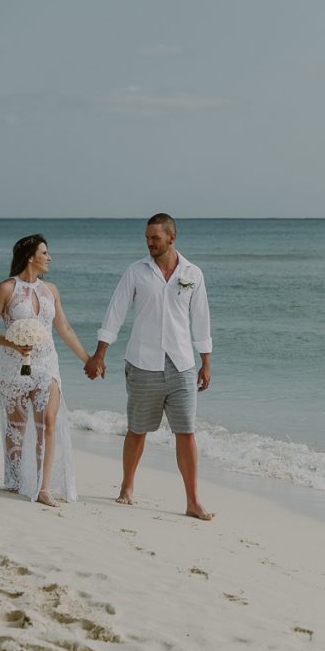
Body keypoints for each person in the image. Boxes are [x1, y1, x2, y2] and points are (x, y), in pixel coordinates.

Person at [84, 213, 213, 520]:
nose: (150, 243)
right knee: (138, 429)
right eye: (147, 238)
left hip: (182, 364)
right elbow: (115, 311)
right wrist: (100, 353)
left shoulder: (193, 273)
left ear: (172, 237)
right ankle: (127, 486)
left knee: (186, 432)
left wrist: (205, 362)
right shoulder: (136, 271)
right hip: (143, 363)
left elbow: (201, 320)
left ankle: (192, 501)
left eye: (155, 238)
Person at [0, 234, 91, 506]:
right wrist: (12, 343)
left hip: (46, 365)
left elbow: (63, 328)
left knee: (48, 424)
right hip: (13, 367)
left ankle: (43, 488)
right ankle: (16, 480)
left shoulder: (51, 290)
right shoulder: (6, 289)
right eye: (45, 252)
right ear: (31, 257)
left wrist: (88, 359)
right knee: (16, 428)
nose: (49, 257)